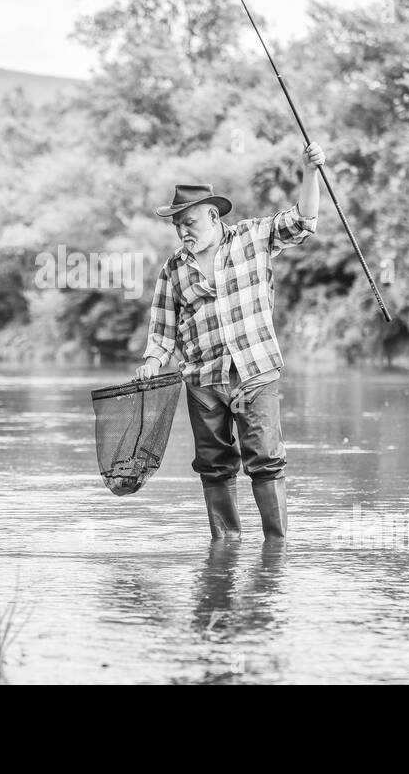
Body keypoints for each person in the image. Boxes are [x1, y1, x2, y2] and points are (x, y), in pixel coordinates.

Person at [134, 143, 326, 540]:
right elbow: (162, 333)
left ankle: (276, 546)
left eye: (189, 222)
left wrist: (310, 173)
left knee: (266, 461)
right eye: (177, 226)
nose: (183, 231)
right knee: (214, 466)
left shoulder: (253, 237)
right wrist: (152, 362)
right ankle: (226, 548)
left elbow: (304, 220)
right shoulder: (172, 269)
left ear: (211, 215)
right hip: (203, 383)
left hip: (255, 372)